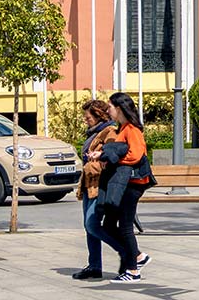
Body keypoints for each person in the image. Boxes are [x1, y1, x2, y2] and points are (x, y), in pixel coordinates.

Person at [91, 92, 153, 282]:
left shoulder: (132, 129)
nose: (107, 110)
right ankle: (138, 256)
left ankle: (133, 271)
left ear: (119, 108)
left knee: (125, 226)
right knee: (108, 225)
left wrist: (108, 157)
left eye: (109, 107)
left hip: (132, 184)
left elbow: (135, 155)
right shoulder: (123, 128)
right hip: (123, 184)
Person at [72, 99, 117, 280]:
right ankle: (94, 266)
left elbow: (112, 157)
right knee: (88, 226)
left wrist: (95, 162)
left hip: (100, 186)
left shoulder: (109, 132)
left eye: (88, 116)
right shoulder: (95, 132)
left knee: (92, 224)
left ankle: (130, 253)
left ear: (99, 116)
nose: (85, 119)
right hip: (89, 185)